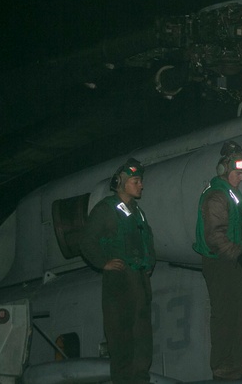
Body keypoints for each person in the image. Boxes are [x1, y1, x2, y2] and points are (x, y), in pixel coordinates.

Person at [192, 141, 242, 380]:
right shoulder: (216, 196)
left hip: (230, 260)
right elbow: (215, 236)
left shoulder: (230, 194)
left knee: (240, 314)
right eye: (238, 173)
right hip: (219, 262)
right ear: (223, 170)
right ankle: (223, 366)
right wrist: (239, 254)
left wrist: (239, 254)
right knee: (225, 313)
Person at [79, 160, 156, 384]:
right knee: (121, 338)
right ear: (121, 183)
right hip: (120, 282)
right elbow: (86, 242)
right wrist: (104, 263)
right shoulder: (106, 209)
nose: (141, 185)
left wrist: (149, 263)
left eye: (140, 180)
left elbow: (147, 239)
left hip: (140, 281)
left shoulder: (138, 213)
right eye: (136, 181)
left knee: (142, 339)